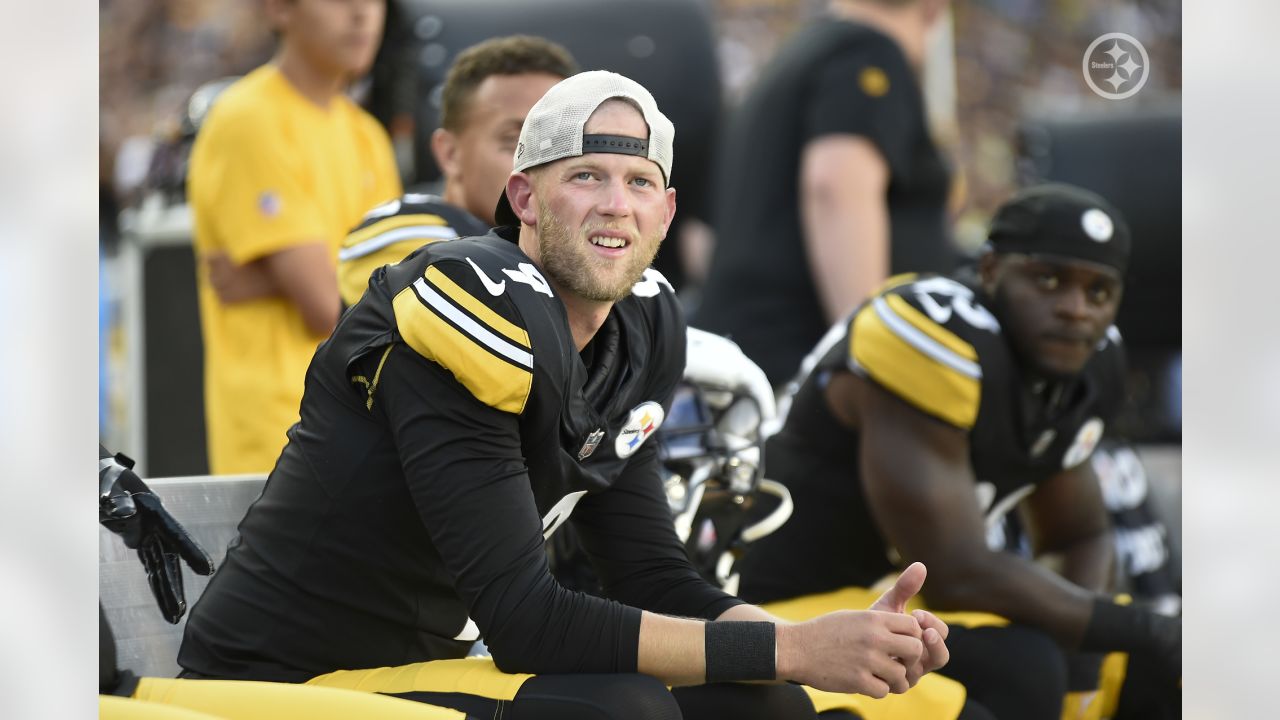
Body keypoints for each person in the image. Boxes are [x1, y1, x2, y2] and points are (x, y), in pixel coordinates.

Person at [177, 70, 951, 719]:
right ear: (523, 198)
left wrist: (822, 640)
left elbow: (654, 576)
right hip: (278, 675)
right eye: (586, 176)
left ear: (666, 214)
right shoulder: (468, 300)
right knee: (625, 709)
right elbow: (526, 622)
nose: (616, 204)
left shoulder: (643, 326)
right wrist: (794, 649)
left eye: (640, 182)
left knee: (766, 700)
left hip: (414, 666)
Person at [737, 184, 1181, 719]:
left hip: (909, 604)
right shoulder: (930, 333)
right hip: (789, 605)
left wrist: (1086, 647)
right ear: (991, 269)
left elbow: (1077, 534)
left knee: (1152, 667)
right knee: (1030, 667)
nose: (1074, 310)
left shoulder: (1081, 364)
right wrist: (1139, 627)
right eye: (1048, 280)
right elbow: (958, 571)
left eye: (1098, 292)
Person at [189, 0, 402, 474]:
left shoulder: (368, 135)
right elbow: (327, 306)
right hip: (277, 437)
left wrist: (270, 279)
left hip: (363, 429)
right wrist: (325, 283)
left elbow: (394, 307)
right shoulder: (249, 118)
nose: (362, 14)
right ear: (279, 8)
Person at [695, 0, 956, 386]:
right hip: (803, 368)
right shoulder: (867, 52)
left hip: (756, 358)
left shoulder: (799, 56)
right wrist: (871, 363)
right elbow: (835, 187)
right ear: (933, 9)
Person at [338, 35, 578, 306]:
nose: (543, 165)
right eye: (515, 142)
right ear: (450, 153)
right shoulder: (405, 239)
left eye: (561, 144)